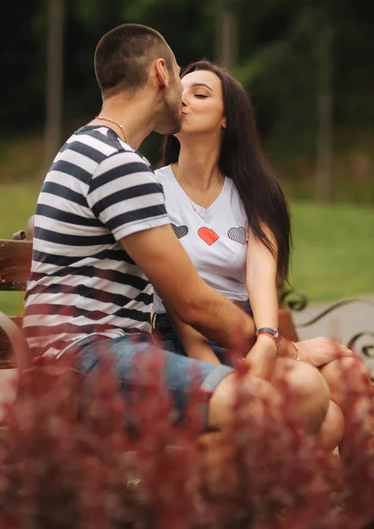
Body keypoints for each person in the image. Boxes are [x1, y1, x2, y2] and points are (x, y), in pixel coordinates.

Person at [23, 24, 332, 454]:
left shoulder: (85, 147)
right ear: (162, 74)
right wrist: (276, 345)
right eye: (182, 80)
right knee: (287, 400)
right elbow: (192, 302)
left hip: (98, 353)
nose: (184, 97)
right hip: (89, 359)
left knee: (304, 393)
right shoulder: (119, 164)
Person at [153, 59, 373, 451]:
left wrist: (270, 343)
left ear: (227, 119)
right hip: (181, 335)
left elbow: (260, 279)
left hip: (244, 334)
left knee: (346, 375)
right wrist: (229, 367)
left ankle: (356, 496)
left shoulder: (256, 193)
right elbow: (173, 294)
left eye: (200, 94)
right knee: (328, 418)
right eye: (179, 92)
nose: (183, 100)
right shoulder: (152, 190)